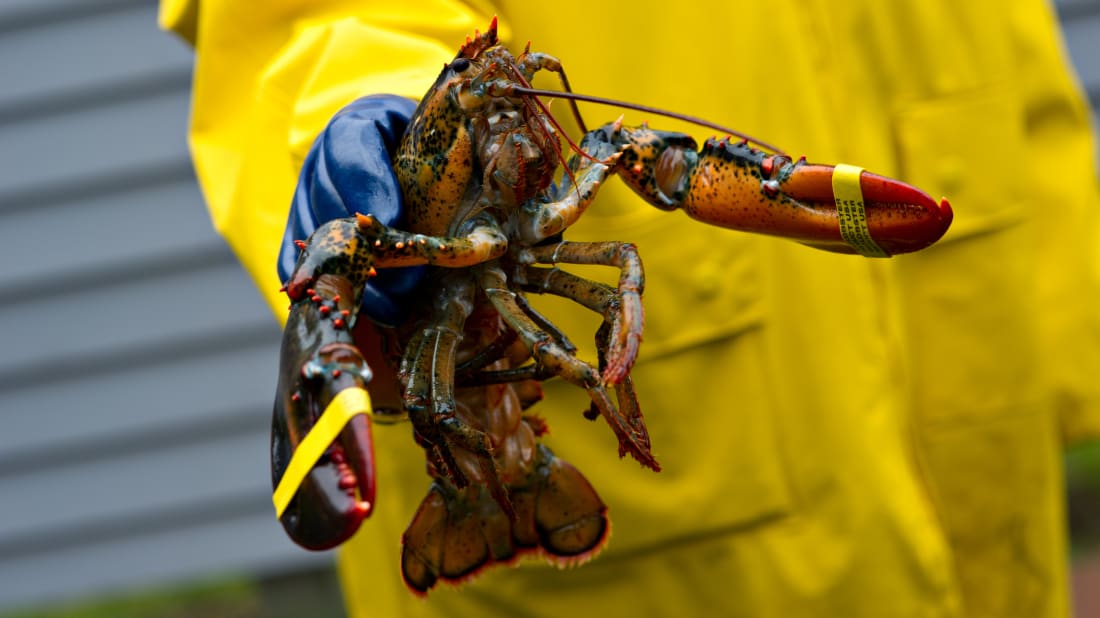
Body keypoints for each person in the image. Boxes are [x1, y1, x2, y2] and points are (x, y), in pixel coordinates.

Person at [160, 1, 1100, 616]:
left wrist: (1065, 332)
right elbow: (310, 20)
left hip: (974, 469)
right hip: (672, 556)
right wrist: (355, 109)